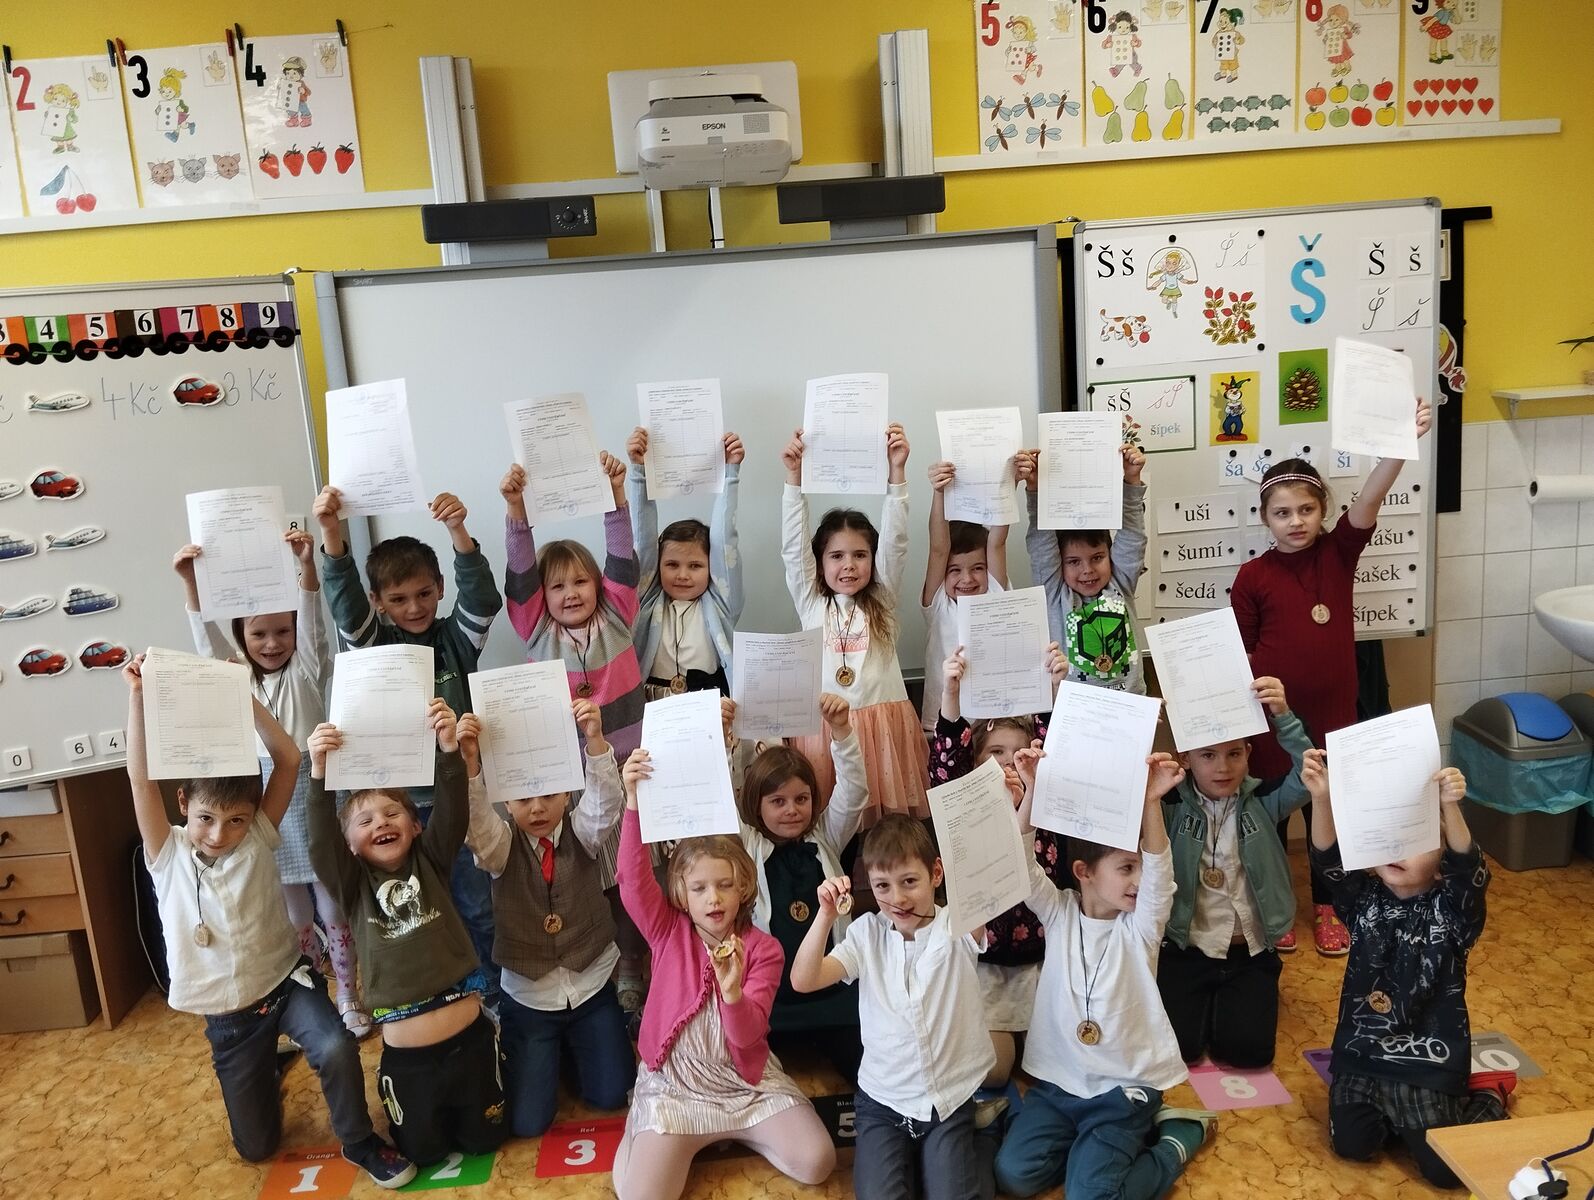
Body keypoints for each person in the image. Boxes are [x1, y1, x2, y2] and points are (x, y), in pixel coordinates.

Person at [120, 654, 414, 1188]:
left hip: (285, 985)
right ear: (183, 803)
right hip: (230, 1019)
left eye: (235, 820)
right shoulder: (168, 852)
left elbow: (288, 758)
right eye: (207, 818)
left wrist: (245, 693)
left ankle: (359, 1140)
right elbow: (139, 780)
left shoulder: (258, 833)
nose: (220, 834)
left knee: (335, 1045)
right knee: (256, 1148)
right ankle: (266, 1063)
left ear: (253, 815)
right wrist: (138, 698)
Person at [1229, 397, 1431, 955]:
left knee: (1330, 809)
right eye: (1282, 513)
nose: (1295, 521)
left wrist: (1399, 444)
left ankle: (1328, 904)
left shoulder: (1339, 554)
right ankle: (1276, 906)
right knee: (1270, 814)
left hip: (1334, 716)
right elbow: (1241, 652)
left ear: (1323, 511)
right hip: (1272, 720)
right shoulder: (1251, 576)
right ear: (1265, 519)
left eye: (1306, 510)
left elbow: (1370, 498)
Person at [994, 747, 1217, 1200]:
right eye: (1126, 868)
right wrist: (1033, 789)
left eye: (1140, 866)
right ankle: (1092, 1148)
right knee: (1012, 1176)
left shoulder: (1141, 926)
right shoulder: (1058, 912)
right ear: (1084, 872)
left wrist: (1151, 802)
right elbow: (1018, 863)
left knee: (1090, 1196)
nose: (1139, 879)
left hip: (1121, 1091)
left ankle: (1173, 1141)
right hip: (1059, 1087)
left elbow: (1160, 874)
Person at [613, 748, 836, 1200]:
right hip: (677, 1086)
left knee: (818, 1162)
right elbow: (632, 880)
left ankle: (735, 1132)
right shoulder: (668, 930)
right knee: (641, 1196)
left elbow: (749, 1038)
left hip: (745, 1083)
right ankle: (643, 1125)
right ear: (682, 893)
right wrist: (633, 801)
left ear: (743, 888)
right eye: (699, 888)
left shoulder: (765, 949)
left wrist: (732, 994)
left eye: (724, 885)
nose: (713, 898)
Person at [174, 533, 369, 1036]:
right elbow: (208, 645)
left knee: (333, 906)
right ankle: (315, 994)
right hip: (265, 800)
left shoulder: (307, 667)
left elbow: (314, 626)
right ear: (242, 638)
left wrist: (307, 567)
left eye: (282, 631)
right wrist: (192, 585)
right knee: (294, 913)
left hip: (315, 792)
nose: (272, 643)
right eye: (259, 634)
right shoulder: (237, 676)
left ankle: (350, 995)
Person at [313, 485, 503, 995]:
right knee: (413, 912)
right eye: (397, 599)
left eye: (423, 593)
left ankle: (492, 996)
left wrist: (457, 530)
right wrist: (331, 533)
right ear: (379, 602)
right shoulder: (375, 645)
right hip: (397, 812)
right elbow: (347, 609)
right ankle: (431, 993)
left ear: (440, 588)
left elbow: (483, 599)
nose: (414, 607)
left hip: (454, 805)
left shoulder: (457, 640)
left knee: (477, 906)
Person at [305, 702, 507, 1167]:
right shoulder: (352, 886)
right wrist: (318, 774)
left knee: (487, 1141)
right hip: (410, 1064)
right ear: (349, 844)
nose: (380, 822)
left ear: (416, 826)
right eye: (365, 821)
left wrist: (448, 750)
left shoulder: (432, 860)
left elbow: (452, 812)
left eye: (392, 813)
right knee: (424, 1153)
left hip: (471, 1047)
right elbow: (319, 843)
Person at [1304, 749, 1512, 1189]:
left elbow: (1468, 871)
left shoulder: (1453, 915)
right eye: (1391, 837)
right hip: (1363, 1057)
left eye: (1417, 840)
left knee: (1445, 1173)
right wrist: (1321, 799)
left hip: (1428, 1063)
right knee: (1352, 1146)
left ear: (1441, 869)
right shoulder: (1363, 901)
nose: (1398, 849)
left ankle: (1488, 1093)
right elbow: (1328, 863)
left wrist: (1450, 807)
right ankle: (1400, 1123)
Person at [501, 453, 650, 1017]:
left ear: (599, 587)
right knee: (594, 880)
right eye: (557, 585)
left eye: (581, 581)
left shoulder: (618, 616)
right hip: (573, 781)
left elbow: (623, 558)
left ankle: (635, 962)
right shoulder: (536, 630)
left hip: (631, 771)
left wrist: (616, 494)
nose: (570, 593)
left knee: (634, 873)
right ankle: (605, 966)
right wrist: (516, 509)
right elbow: (519, 576)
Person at [791, 816, 995, 1200]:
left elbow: (992, 868)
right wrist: (825, 915)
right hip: (883, 1102)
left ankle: (982, 1137)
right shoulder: (866, 933)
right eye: (883, 886)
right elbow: (804, 979)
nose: (898, 899)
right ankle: (927, 1159)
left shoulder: (958, 924)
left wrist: (1002, 808)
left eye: (910, 881)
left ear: (936, 874)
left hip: (947, 1101)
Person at [456, 700, 633, 1137]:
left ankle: (575, 1049)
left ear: (568, 794)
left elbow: (606, 802)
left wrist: (595, 739)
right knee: (528, 1122)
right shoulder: (500, 846)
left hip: (590, 988)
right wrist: (471, 764)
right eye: (523, 800)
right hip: (530, 999)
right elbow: (476, 826)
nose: (537, 809)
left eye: (550, 796)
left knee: (611, 1093)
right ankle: (549, 1051)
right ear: (507, 802)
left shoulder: (582, 831)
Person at [931, 645, 1068, 1090]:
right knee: (993, 1073)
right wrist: (952, 693)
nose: (1009, 762)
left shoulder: (1047, 804)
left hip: (1041, 964)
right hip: (986, 968)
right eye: (995, 752)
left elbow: (1056, 744)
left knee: (1053, 1068)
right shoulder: (964, 809)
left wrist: (1054, 688)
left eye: (1019, 752)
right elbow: (947, 760)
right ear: (974, 764)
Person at [1156, 677, 1310, 1068]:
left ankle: (1234, 999)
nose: (1223, 767)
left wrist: (1283, 716)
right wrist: (1140, 729)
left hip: (1249, 952)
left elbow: (1308, 773)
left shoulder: (1263, 800)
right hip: (1187, 949)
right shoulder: (1169, 805)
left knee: (1248, 1053)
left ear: (1248, 754)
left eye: (1234, 754)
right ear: (1185, 758)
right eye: (1208, 755)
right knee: (1181, 1050)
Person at [780, 423, 928, 818]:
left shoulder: (882, 597)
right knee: (832, 823)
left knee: (885, 829)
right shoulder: (811, 602)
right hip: (825, 731)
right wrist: (794, 478)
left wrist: (897, 471)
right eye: (837, 556)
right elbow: (793, 549)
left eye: (860, 555)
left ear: (873, 561)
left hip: (882, 729)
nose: (849, 565)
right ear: (820, 562)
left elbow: (896, 542)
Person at [730, 693, 869, 1083]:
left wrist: (841, 732)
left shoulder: (827, 836)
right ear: (757, 805)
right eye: (778, 801)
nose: (792, 809)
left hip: (833, 993)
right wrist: (723, 740)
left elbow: (854, 792)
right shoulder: (747, 846)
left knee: (867, 1069)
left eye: (801, 799)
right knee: (750, 1076)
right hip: (771, 1000)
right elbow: (719, 802)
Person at [1017, 442, 1149, 694]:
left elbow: (1133, 538)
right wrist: (1035, 488)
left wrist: (1132, 480)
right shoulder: (1055, 594)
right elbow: (1041, 546)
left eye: (1097, 557)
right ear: (1059, 563)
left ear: (1110, 556)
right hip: (1075, 709)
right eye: (1074, 562)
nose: (1087, 570)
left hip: (1130, 706)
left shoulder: (1120, 583)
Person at [625, 426, 745, 701]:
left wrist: (730, 472)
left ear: (711, 567)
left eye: (695, 566)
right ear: (658, 566)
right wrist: (639, 470)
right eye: (672, 564)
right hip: (652, 706)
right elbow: (643, 539)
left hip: (707, 704)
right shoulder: (646, 601)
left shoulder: (721, 604)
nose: (682, 575)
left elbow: (724, 539)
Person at [919, 457, 1009, 735]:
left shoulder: (995, 596)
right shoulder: (939, 605)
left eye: (978, 568)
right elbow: (938, 548)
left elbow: (997, 541)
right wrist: (938, 492)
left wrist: (1008, 483)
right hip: (942, 723)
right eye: (955, 570)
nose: (967, 579)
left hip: (993, 724)